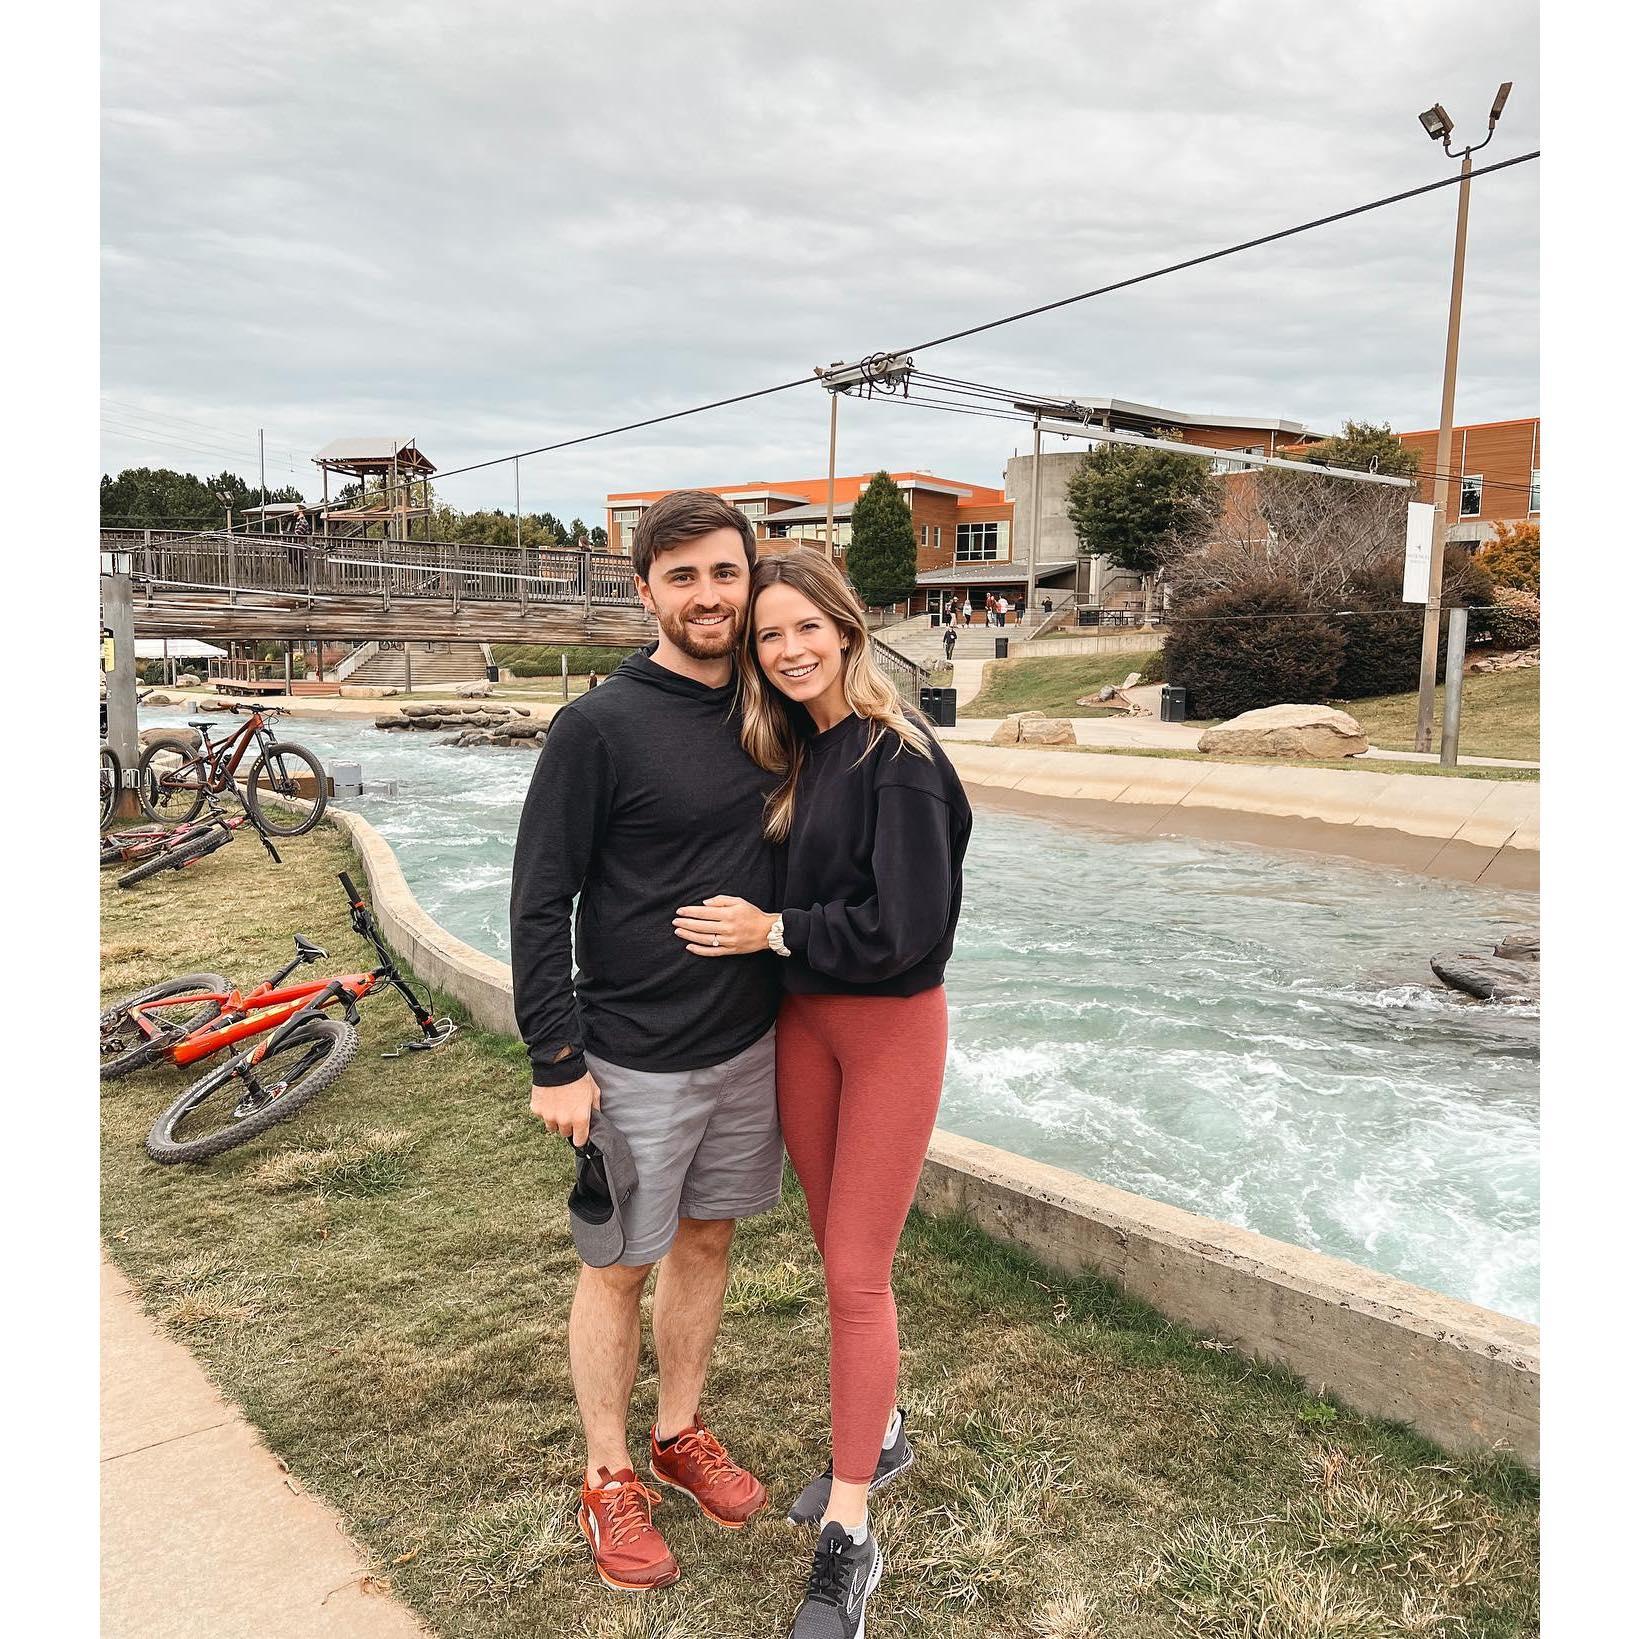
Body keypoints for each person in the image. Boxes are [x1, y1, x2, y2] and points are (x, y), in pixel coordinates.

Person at [672, 547, 971, 1639]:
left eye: (805, 628)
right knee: (826, 1245)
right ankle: (879, 1430)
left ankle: (850, 1527)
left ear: (847, 629)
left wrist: (775, 930)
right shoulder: (802, 747)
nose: (789, 649)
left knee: (856, 1271)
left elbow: (911, 933)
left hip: (888, 1032)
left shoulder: (901, 759)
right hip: (803, 1027)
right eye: (769, 636)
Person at [511, 489, 783, 1595]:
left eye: (725, 573)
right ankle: (608, 1471)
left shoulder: (775, 702)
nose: (708, 595)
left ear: (749, 578)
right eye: (683, 577)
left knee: (708, 1244)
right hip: (630, 1054)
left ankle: (678, 1434)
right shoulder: (597, 726)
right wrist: (555, 1058)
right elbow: (539, 900)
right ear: (646, 591)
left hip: (750, 1043)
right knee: (617, 1267)